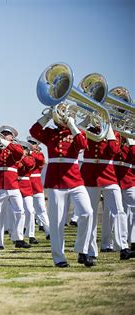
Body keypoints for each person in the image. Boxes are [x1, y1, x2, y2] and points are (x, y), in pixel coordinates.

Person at [30, 109, 95, 267]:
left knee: (87, 212)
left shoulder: (77, 132)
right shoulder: (50, 133)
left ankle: (83, 250)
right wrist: (48, 114)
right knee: (57, 221)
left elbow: (82, 145)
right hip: (56, 181)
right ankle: (59, 257)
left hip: (74, 179)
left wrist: (73, 125)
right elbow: (34, 131)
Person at [80, 123, 134, 260]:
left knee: (119, 211)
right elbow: (78, 142)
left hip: (108, 176)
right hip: (90, 176)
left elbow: (113, 149)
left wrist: (108, 127)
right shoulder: (86, 130)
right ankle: (89, 251)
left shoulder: (113, 133)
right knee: (89, 214)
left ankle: (123, 247)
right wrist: (85, 120)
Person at [0, 125, 30, 249]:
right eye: (2, 133)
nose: (3, 135)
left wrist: (6, 142)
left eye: (7, 134)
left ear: (12, 137)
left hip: (13, 184)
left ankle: (18, 238)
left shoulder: (16, 147)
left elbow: (19, 153)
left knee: (20, 211)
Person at [27, 136, 50, 239]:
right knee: (29, 211)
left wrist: (30, 153)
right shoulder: (24, 155)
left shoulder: (39, 154)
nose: (31, 144)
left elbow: (41, 160)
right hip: (26, 183)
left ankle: (48, 231)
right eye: (30, 143)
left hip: (36, 184)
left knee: (41, 209)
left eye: (33, 143)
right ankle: (30, 235)